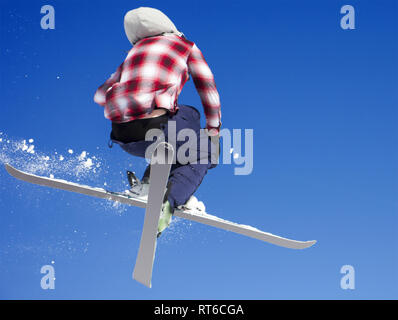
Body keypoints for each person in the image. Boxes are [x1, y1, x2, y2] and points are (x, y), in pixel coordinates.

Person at [94, 7, 222, 235]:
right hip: (157, 127)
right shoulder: (184, 46)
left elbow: (100, 95)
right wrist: (213, 130)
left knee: (176, 145)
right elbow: (207, 88)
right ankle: (170, 201)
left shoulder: (132, 54)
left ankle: (148, 186)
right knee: (202, 145)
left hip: (123, 136)